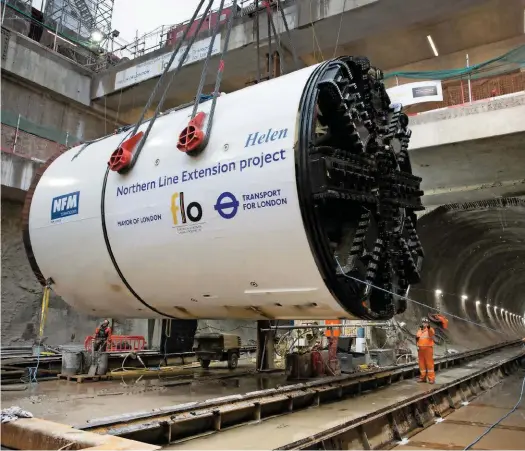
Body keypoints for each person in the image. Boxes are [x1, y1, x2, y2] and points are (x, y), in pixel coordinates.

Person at [416, 317, 435, 384]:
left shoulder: (430, 329)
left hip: (428, 349)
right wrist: (417, 346)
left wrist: (429, 327)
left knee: (429, 364)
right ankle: (422, 378)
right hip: (420, 349)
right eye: (423, 322)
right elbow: (417, 339)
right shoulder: (419, 330)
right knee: (421, 364)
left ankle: (431, 379)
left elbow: (431, 333)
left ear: (428, 323)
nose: (424, 324)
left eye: (426, 322)